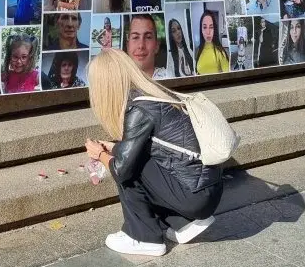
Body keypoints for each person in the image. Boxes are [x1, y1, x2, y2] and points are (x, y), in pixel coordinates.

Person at [85, 49, 224, 256]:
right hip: (206, 189)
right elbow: (153, 148)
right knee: (130, 158)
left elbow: (122, 169)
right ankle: (181, 223)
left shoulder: (138, 110)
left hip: (195, 195)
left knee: (127, 168)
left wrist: (100, 154)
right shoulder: (151, 96)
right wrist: (112, 146)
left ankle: (143, 237)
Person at [121, 13, 160, 78]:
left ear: (157, 46)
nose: (141, 45)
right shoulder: (117, 81)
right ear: (127, 46)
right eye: (135, 37)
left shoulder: (170, 76)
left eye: (148, 37)